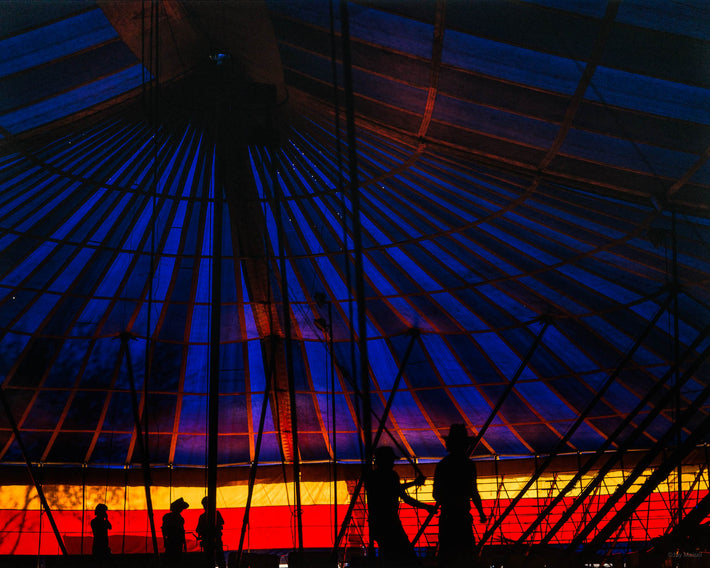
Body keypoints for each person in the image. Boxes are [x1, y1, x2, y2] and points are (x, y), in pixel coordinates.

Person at [365, 445, 436, 567]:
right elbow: (396, 492)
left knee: (390, 556)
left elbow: (395, 490)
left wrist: (424, 504)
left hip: (379, 523)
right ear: (384, 461)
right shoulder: (388, 476)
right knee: (405, 556)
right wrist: (425, 505)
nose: (393, 463)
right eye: (391, 460)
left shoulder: (373, 476)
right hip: (388, 523)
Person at [433, 424, 487, 567]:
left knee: (447, 557)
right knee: (467, 556)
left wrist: (449, 501)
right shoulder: (468, 465)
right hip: (462, 516)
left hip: (448, 517)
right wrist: (481, 512)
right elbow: (473, 491)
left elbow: (436, 494)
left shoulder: (442, 465)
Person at [196, 496, 226, 568]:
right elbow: (222, 523)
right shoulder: (216, 514)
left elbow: (198, 529)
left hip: (208, 541)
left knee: (211, 560)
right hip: (214, 540)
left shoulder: (203, 516)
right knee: (219, 559)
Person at [162, 497, 189, 564]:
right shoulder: (179, 518)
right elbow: (182, 531)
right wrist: (184, 542)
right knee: (176, 560)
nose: (181, 510)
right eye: (181, 508)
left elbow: (164, 530)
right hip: (176, 541)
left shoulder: (167, 517)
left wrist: (165, 540)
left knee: (170, 559)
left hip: (171, 541)